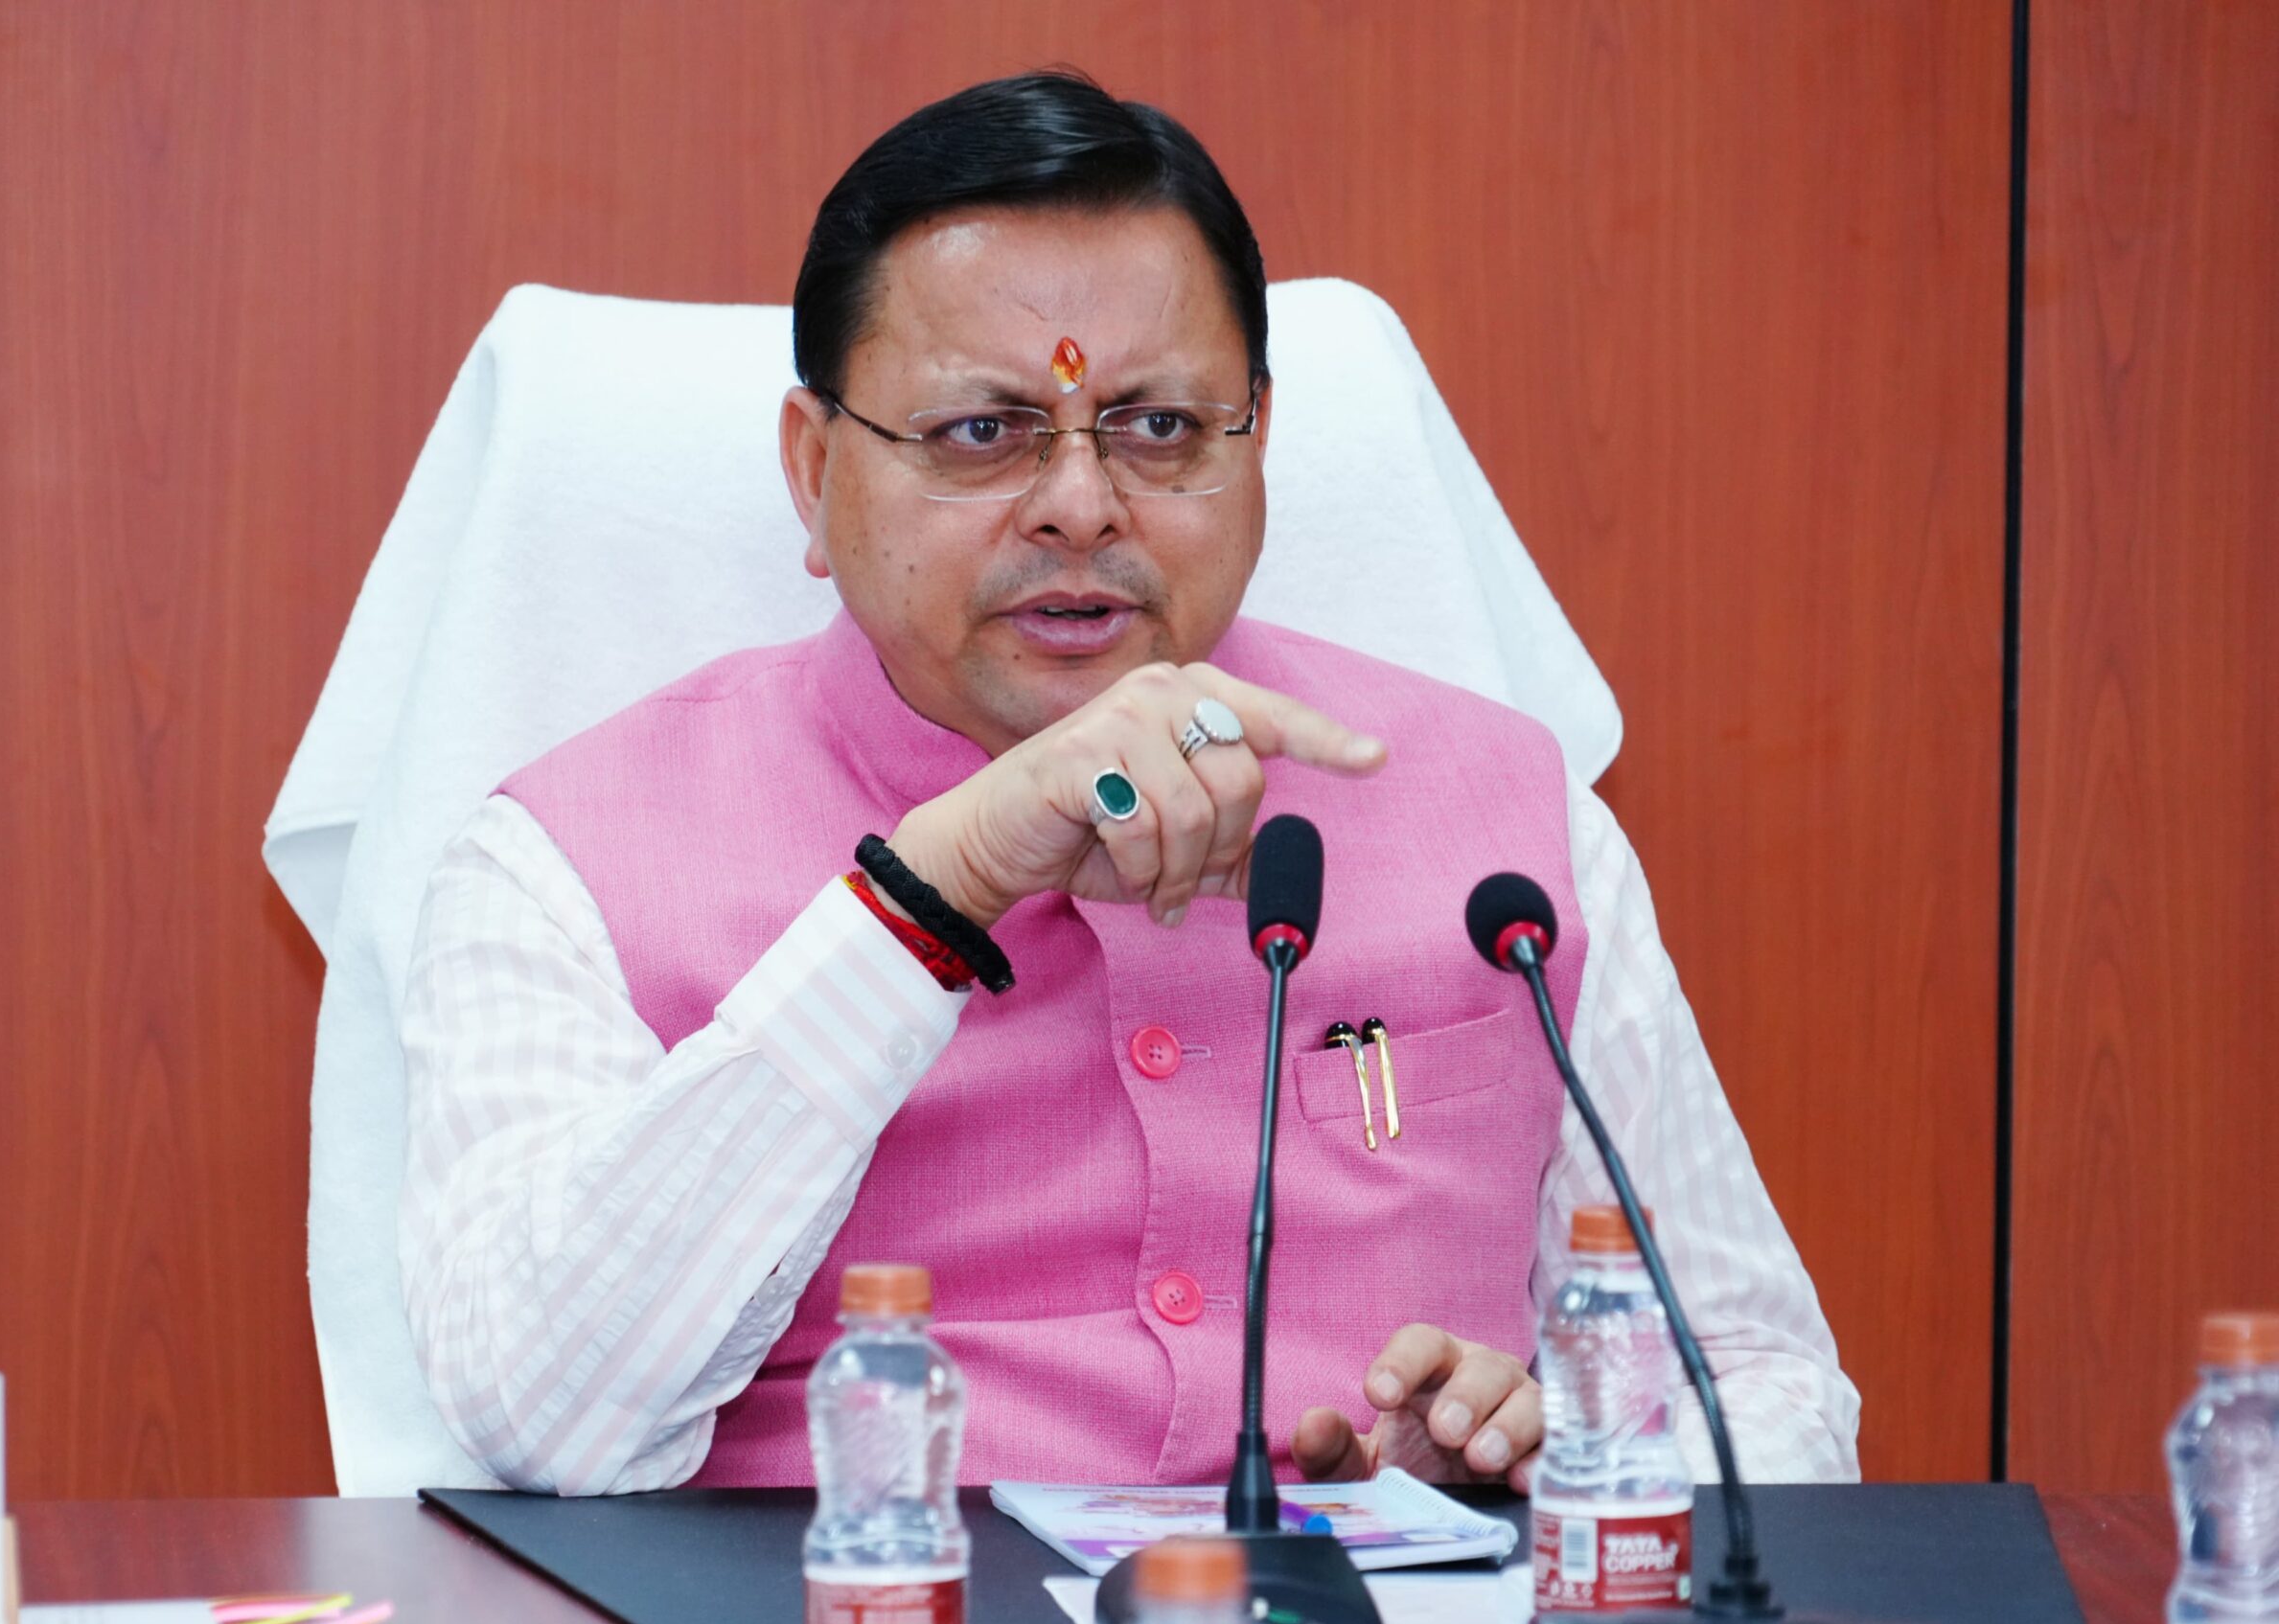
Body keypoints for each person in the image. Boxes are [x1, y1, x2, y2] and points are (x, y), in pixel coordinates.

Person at [396, 71, 1859, 1498]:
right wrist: (934, 894)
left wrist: (1555, 1477)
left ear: (1259, 439)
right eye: (983, 432)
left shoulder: (1510, 838)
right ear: (812, 468)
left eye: (1160, 428)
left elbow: (1769, 1386)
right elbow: (540, 1422)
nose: (1081, 506)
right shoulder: (565, 862)